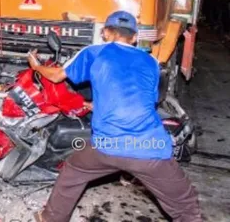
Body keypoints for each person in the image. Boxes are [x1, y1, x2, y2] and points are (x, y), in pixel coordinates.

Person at [30, 11, 202, 222]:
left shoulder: (94, 52)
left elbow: (56, 76)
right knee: (186, 207)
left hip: (107, 146)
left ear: (105, 33)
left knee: (74, 170)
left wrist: (36, 65)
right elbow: (145, 100)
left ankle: (51, 218)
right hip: (151, 148)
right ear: (134, 38)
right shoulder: (151, 62)